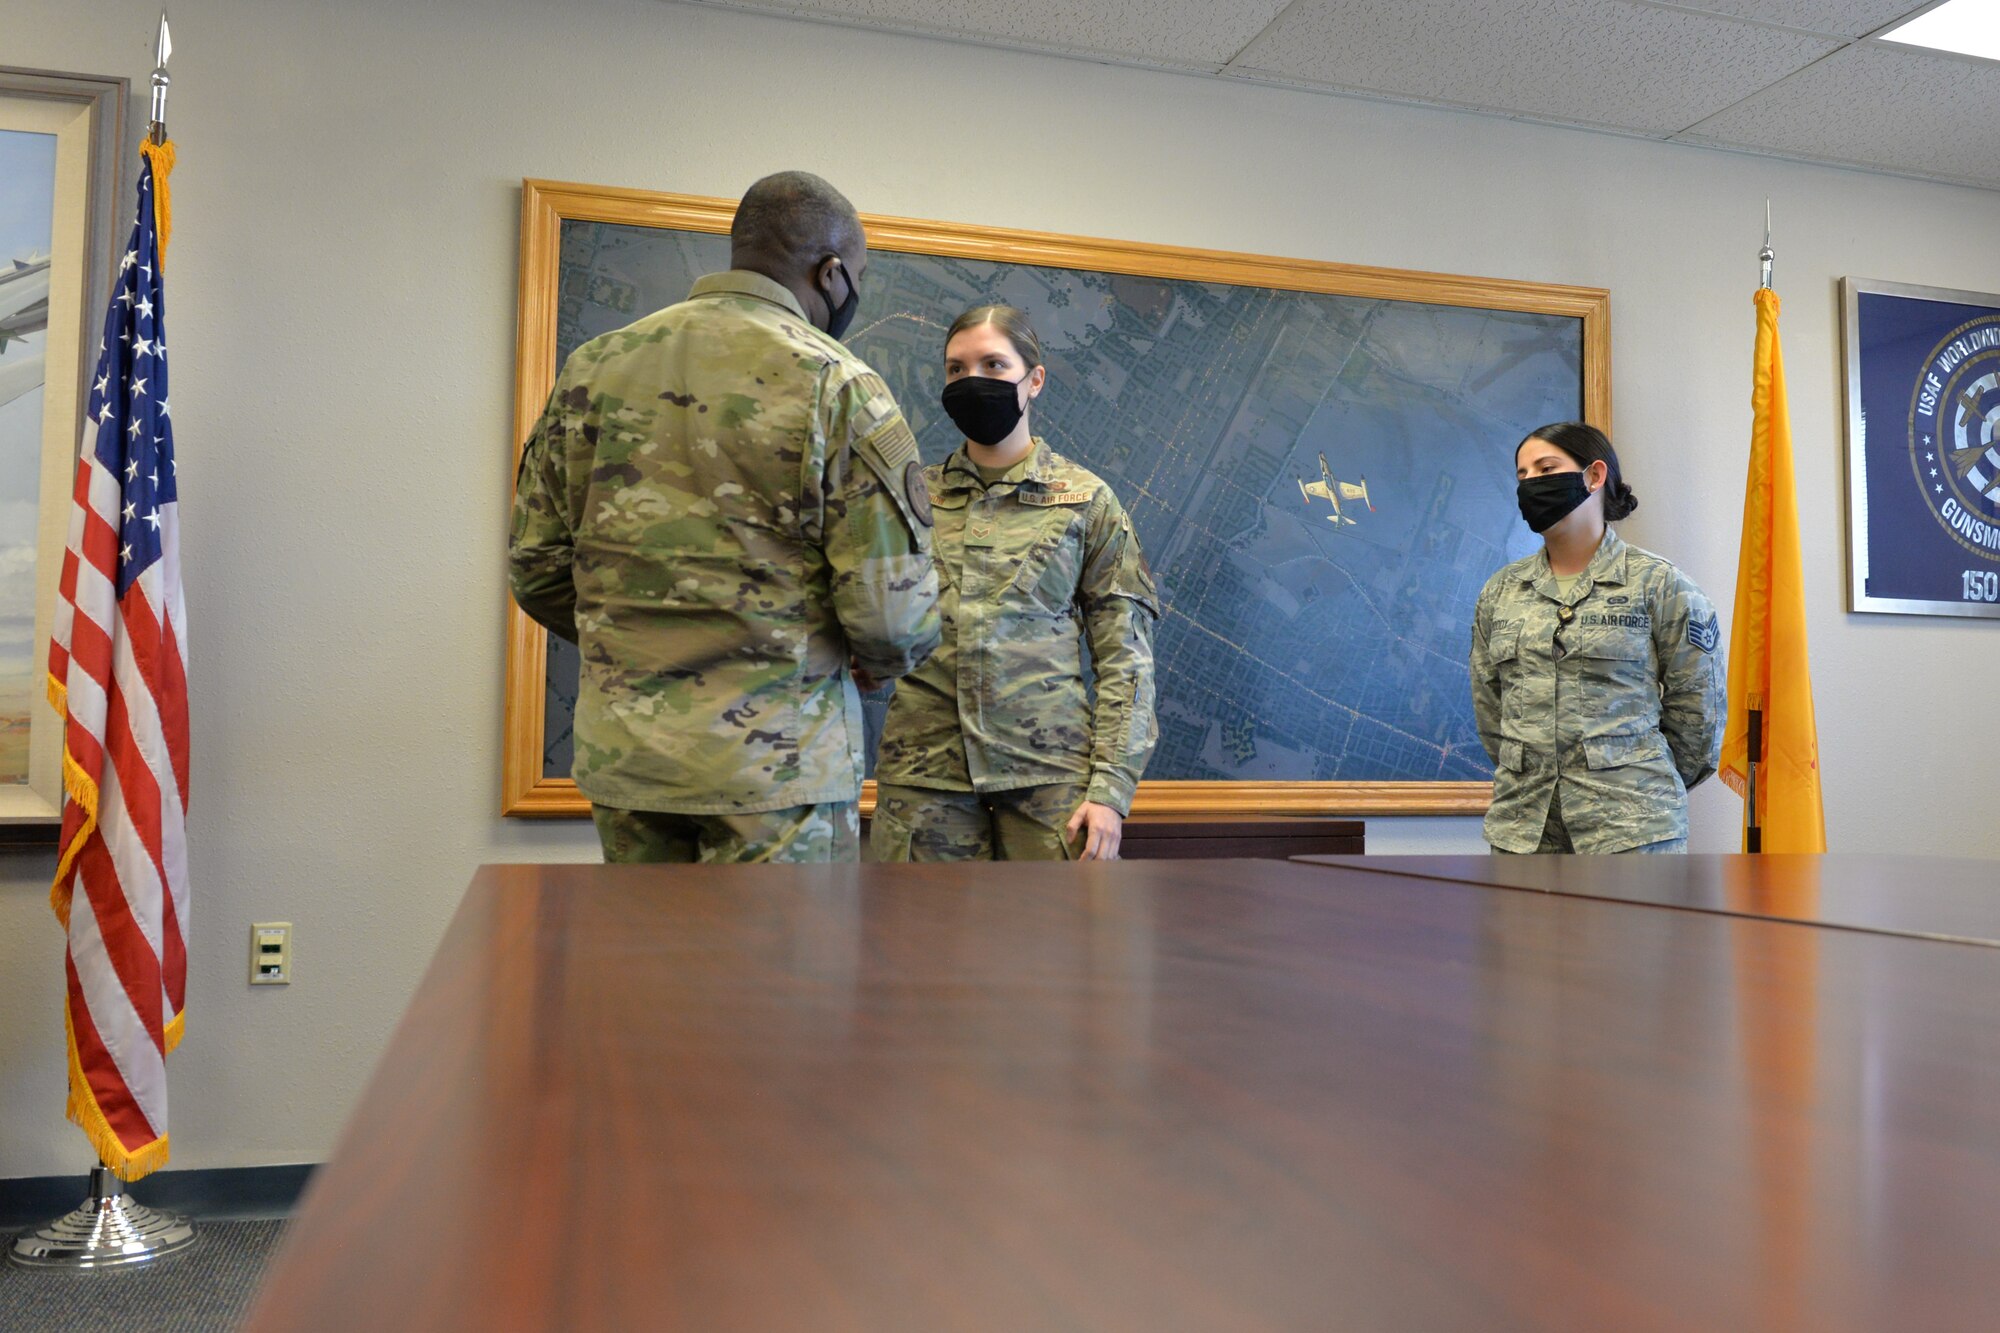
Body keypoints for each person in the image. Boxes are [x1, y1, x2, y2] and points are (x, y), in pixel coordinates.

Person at [509, 170, 940, 864]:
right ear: (832, 275)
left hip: (631, 764)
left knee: (648, 971)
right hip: (777, 771)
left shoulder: (595, 367)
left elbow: (535, 571)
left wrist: (640, 639)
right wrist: (864, 657)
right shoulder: (839, 384)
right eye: (854, 276)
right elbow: (894, 619)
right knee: (781, 976)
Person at [871, 305, 1159, 862]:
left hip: (1050, 782)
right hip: (926, 780)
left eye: (994, 364)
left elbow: (1127, 657)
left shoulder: (1086, 501)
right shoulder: (912, 499)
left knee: (1054, 947)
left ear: (1035, 379)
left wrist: (1111, 790)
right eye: (957, 369)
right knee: (917, 946)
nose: (973, 381)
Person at [1469, 422, 1726, 853]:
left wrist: (1636, 782)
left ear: (1594, 475)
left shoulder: (1660, 585)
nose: (1532, 483)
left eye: (1546, 468)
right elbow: (1490, 709)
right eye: (1522, 475)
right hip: (1525, 832)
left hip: (1633, 834)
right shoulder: (1501, 591)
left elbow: (1699, 715)